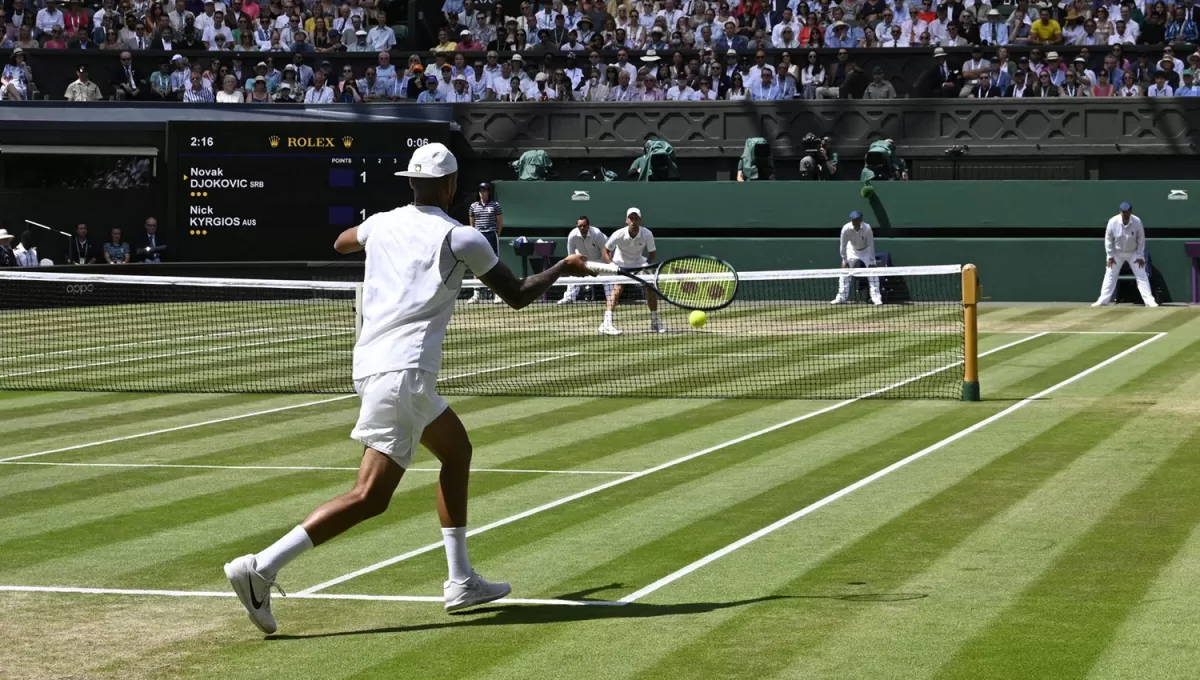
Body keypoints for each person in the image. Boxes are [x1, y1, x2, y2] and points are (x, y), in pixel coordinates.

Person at [223, 143, 595, 635]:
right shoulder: (463, 238)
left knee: (456, 450)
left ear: (411, 182)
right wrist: (561, 269)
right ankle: (261, 567)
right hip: (404, 371)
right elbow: (519, 296)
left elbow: (341, 243)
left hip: (374, 364)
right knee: (370, 496)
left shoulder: (381, 222)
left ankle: (460, 579)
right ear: (451, 186)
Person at [598, 207, 662, 335]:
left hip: (638, 262)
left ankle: (655, 322)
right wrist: (611, 265)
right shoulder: (618, 234)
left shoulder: (647, 234)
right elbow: (605, 251)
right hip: (620, 263)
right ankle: (607, 323)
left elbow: (652, 253)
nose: (633, 220)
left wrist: (645, 265)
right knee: (617, 289)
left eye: (636, 218)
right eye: (631, 218)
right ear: (627, 220)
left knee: (651, 287)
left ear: (640, 220)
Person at [1092, 202, 1157, 307]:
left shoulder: (1137, 221)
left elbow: (1141, 239)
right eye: (1123, 213)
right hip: (1117, 253)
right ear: (1120, 212)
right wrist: (1110, 256)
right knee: (1110, 275)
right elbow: (1108, 239)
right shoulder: (1112, 222)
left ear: (1131, 212)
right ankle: (1102, 301)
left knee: (1142, 275)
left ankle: (1149, 301)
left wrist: (1140, 256)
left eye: (1127, 213)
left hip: (1133, 253)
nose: (1125, 215)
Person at [831, 210, 882, 305]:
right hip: (852, 250)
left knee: (873, 274)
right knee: (844, 273)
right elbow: (843, 245)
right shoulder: (846, 229)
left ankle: (876, 298)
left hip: (866, 250)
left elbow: (871, 244)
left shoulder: (867, 228)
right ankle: (841, 297)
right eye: (853, 220)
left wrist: (872, 260)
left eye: (857, 220)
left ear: (861, 220)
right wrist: (844, 260)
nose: (855, 222)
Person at [466, 182, 504, 304]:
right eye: (480, 191)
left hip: (491, 236)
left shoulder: (495, 205)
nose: (482, 193)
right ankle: (476, 294)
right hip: (478, 237)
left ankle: (497, 294)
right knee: (475, 263)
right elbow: (472, 223)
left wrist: (495, 234)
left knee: (494, 263)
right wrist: (475, 235)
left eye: (484, 191)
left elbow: (500, 224)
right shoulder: (473, 206)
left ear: (488, 192)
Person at [559, 215, 609, 304]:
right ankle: (569, 298)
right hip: (584, 262)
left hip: (600, 260)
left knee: (607, 277)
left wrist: (602, 266)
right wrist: (575, 267)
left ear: (588, 226)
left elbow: (605, 251)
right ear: (577, 226)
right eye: (580, 226)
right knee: (573, 276)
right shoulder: (572, 236)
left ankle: (611, 298)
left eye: (584, 226)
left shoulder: (597, 234)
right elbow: (571, 255)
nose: (582, 228)